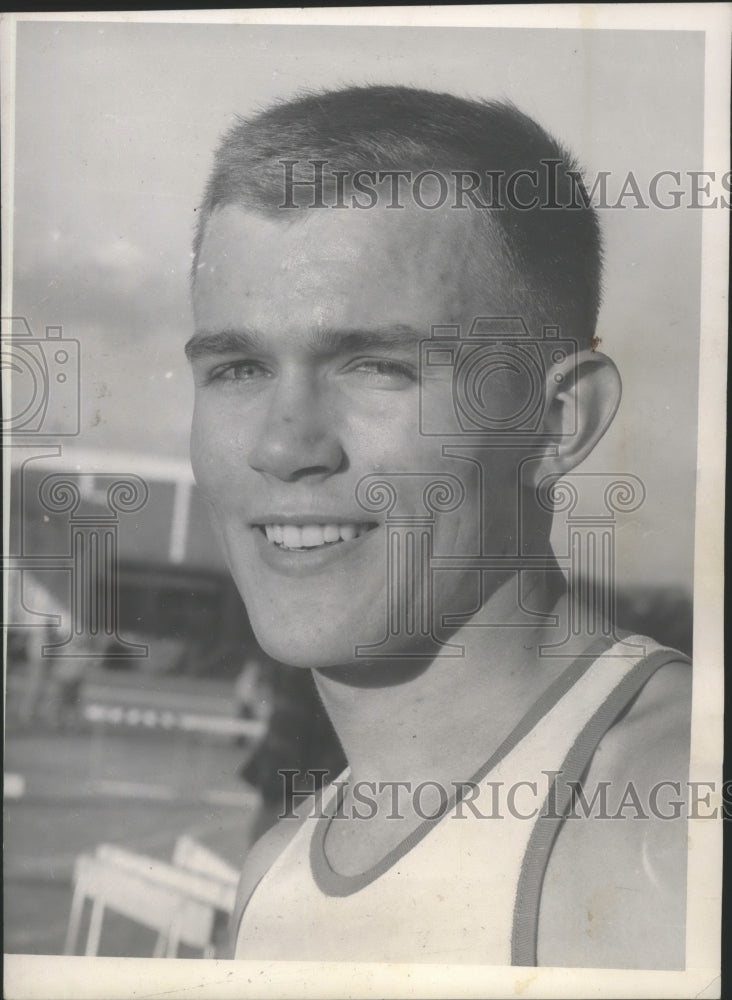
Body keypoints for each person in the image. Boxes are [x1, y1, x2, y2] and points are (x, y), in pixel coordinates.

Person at [185, 86, 691, 969]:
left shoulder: (674, 810)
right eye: (237, 368)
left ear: (558, 421)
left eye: (376, 366)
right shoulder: (274, 878)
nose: (283, 445)